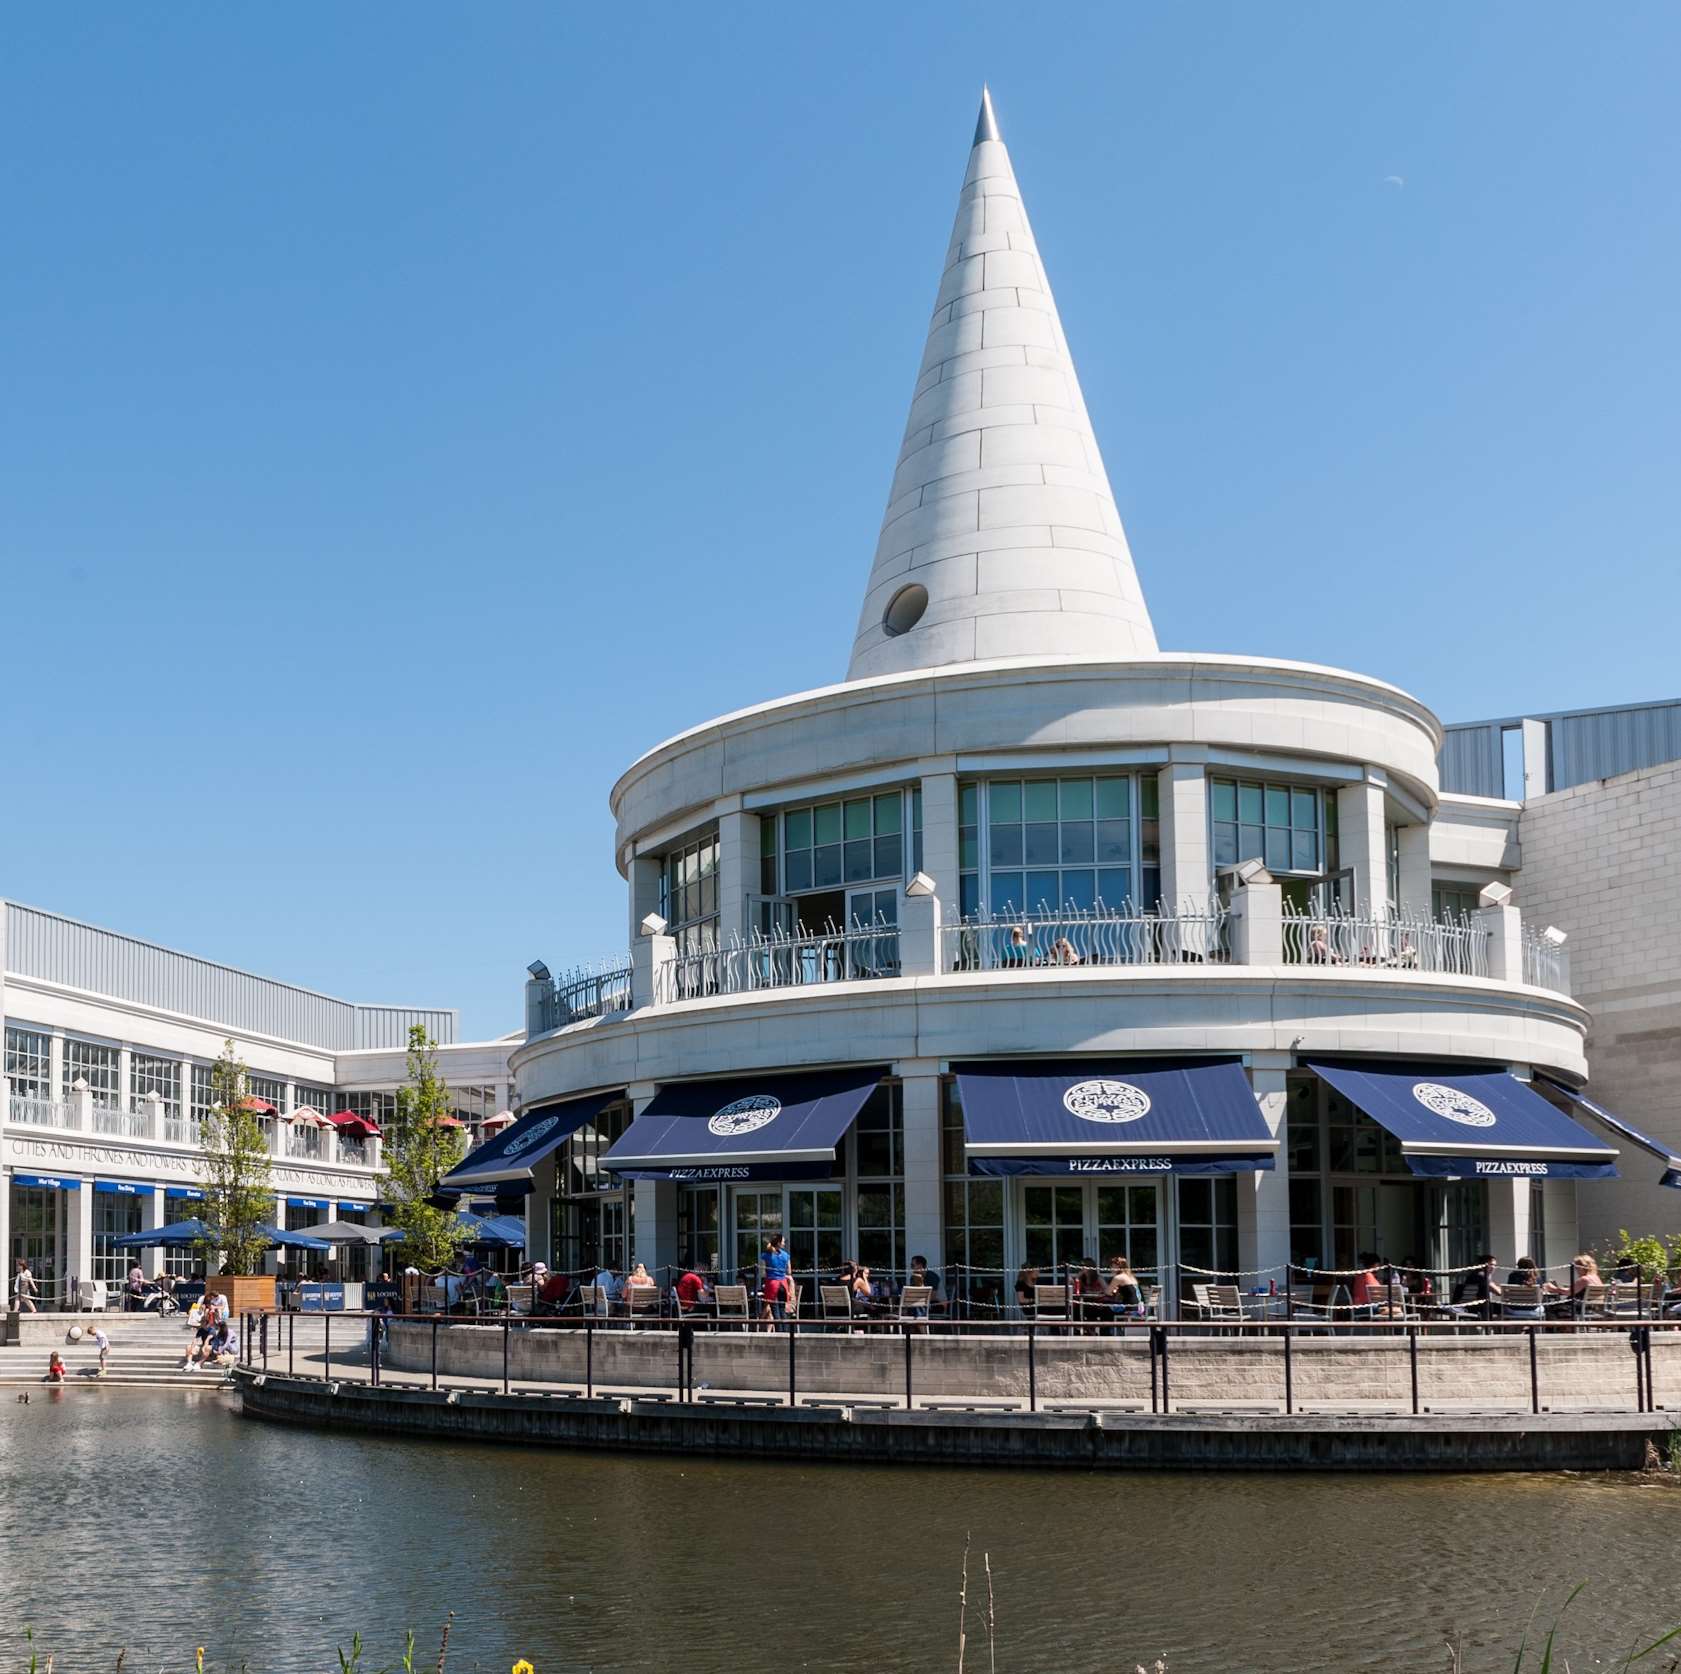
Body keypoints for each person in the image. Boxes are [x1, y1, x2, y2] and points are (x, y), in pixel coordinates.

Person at [1450, 1253, 1501, 1318]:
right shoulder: (1482, 1276)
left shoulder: (1474, 1275)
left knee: (1497, 1307)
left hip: (1470, 1305)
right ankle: (1493, 1327)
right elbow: (1499, 1292)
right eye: (1491, 1265)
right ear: (1483, 1265)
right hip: (1477, 1307)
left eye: (1495, 1265)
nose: (1493, 1267)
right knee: (1503, 1308)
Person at [760, 1234, 792, 1327]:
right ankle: (786, 1334)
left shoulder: (765, 1255)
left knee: (775, 1311)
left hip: (772, 1284)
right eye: (783, 1242)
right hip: (783, 1285)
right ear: (778, 1243)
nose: (784, 1243)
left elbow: (762, 1273)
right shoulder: (786, 1255)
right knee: (782, 1310)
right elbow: (789, 1271)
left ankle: (779, 1333)